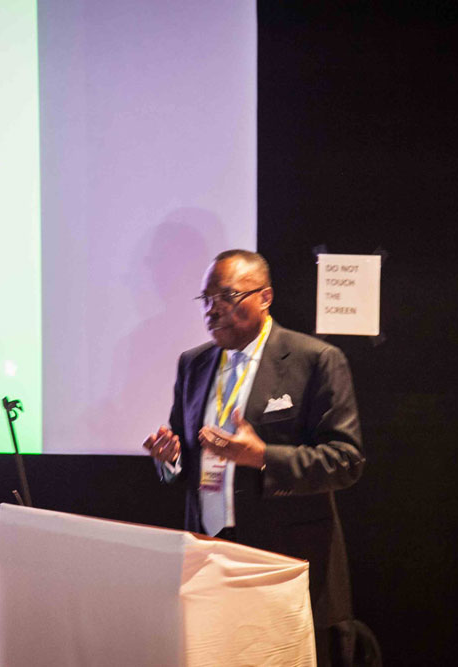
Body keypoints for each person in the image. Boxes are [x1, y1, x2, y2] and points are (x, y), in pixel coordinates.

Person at [143, 249, 365, 665]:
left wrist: (263, 456)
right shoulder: (193, 364)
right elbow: (185, 455)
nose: (212, 310)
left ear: (265, 297)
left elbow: (345, 460)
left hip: (281, 558)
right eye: (206, 299)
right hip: (208, 554)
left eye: (227, 296)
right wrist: (170, 459)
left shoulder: (315, 360)